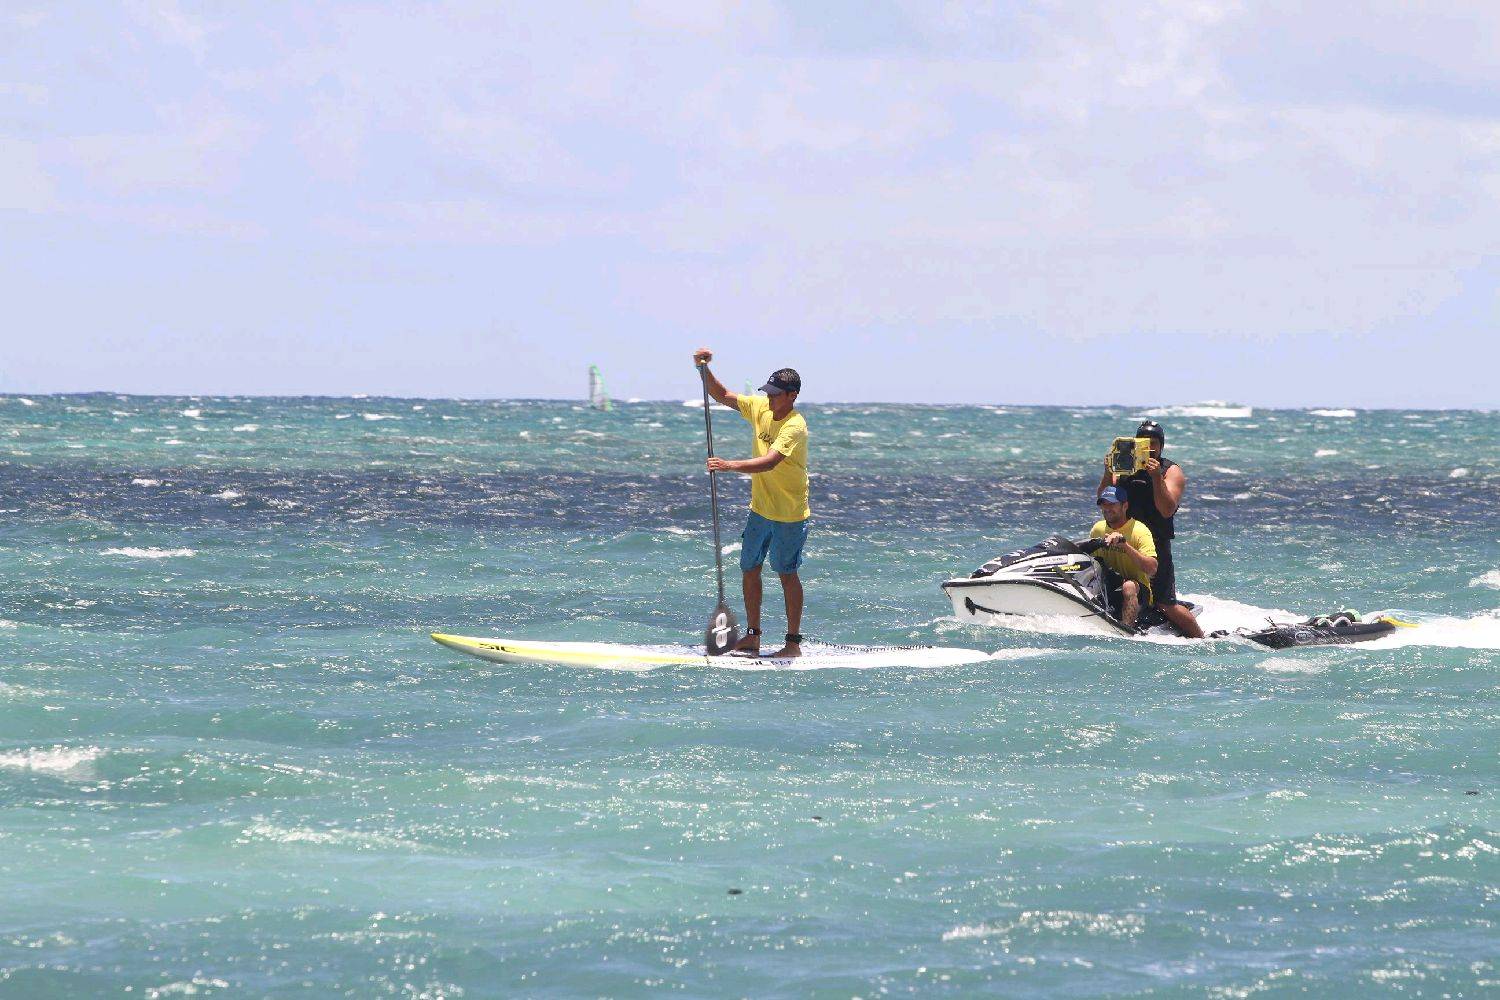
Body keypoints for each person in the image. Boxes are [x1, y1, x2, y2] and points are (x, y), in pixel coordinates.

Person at [693, 348, 810, 658]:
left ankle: (793, 644)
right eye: (768, 392)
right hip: (760, 509)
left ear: (792, 395)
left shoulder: (795, 426)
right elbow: (722, 395)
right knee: (749, 568)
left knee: (787, 573)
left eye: (775, 394)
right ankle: (753, 636)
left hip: (789, 513)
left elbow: (770, 462)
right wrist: (702, 370)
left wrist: (729, 466)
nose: (769, 398)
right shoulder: (760, 408)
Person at [1097, 419, 1204, 638]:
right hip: (1125, 539)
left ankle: (1201, 638)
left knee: (1165, 604)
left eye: (1154, 443)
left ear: (1161, 445)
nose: (1150, 447)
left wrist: (1156, 478)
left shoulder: (1170, 471)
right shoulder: (1126, 466)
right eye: (1145, 442)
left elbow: (1167, 509)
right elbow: (1104, 499)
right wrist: (1109, 471)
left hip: (1155, 543)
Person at [1090, 485, 1158, 630]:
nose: (1107, 508)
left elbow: (1152, 568)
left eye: (1112, 504)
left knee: (1128, 586)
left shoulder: (1139, 531)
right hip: (1108, 585)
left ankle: (1127, 630)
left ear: (1125, 505)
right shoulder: (1098, 529)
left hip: (1137, 590)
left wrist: (1125, 546)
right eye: (1104, 504)